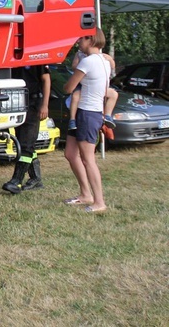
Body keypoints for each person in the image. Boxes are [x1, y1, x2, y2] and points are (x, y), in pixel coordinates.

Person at [63, 29, 110, 213]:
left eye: (81, 39)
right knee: (70, 153)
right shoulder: (104, 61)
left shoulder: (88, 62)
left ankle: (99, 202)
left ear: (91, 39)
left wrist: (72, 88)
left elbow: (68, 87)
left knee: (88, 159)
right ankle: (85, 194)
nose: (78, 43)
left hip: (88, 113)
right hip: (88, 111)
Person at [2, 64, 51, 194]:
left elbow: (46, 79)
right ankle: (35, 178)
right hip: (17, 102)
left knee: (26, 144)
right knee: (25, 143)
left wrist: (44, 105)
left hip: (33, 103)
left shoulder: (36, 57)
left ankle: (16, 181)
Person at [68, 49, 119, 130]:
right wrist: (84, 64)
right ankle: (72, 119)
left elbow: (113, 66)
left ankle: (108, 115)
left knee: (114, 94)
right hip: (83, 83)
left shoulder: (101, 56)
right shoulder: (80, 54)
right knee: (75, 96)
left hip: (96, 86)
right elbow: (74, 66)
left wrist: (109, 59)